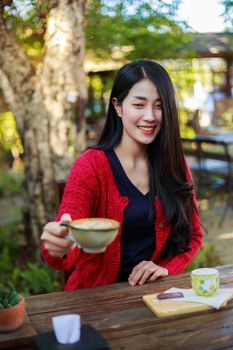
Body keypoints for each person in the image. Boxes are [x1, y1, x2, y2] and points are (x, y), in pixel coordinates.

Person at [41, 59, 203, 291]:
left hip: (154, 297)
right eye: (139, 105)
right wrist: (58, 244)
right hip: (94, 300)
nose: (150, 116)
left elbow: (193, 237)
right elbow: (63, 244)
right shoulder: (90, 165)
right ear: (118, 107)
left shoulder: (175, 164)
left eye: (159, 106)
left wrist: (166, 268)